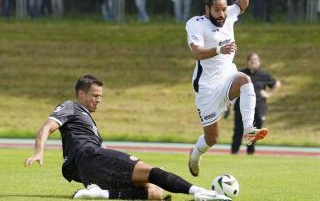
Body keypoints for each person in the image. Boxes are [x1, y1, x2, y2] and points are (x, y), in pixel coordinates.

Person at [25, 75, 231, 201]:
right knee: (152, 172)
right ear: (80, 94)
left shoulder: (88, 122)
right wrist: (38, 152)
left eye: (101, 96)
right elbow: (46, 127)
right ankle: (201, 192)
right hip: (89, 157)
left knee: (155, 193)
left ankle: (101, 194)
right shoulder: (70, 106)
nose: (99, 100)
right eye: (95, 96)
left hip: (86, 170)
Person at [185, 0, 269, 177]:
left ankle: (249, 130)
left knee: (245, 80)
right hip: (207, 88)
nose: (222, 13)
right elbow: (196, 53)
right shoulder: (195, 24)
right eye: (217, 10)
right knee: (212, 138)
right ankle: (195, 154)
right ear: (207, 9)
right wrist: (218, 49)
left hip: (227, 77)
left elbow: (241, 5)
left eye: (224, 9)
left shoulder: (229, 13)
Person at [230, 53, 281, 154]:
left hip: (258, 107)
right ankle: (234, 152)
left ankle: (250, 152)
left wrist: (269, 94)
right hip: (241, 107)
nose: (254, 62)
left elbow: (277, 83)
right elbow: (231, 87)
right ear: (247, 62)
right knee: (238, 130)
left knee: (255, 130)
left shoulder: (264, 74)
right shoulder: (241, 74)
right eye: (251, 60)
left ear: (259, 62)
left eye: (256, 60)